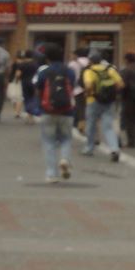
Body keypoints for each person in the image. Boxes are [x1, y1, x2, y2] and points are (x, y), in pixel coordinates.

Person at [33, 42, 76, 183]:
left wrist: (39, 105)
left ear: (47, 58)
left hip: (48, 110)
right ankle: (64, 159)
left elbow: (38, 89)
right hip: (67, 110)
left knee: (48, 141)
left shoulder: (44, 71)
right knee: (66, 138)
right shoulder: (69, 71)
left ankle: (51, 174)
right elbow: (72, 87)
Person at [81, 49, 124, 162]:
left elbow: (88, 85)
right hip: (109, 102)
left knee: (91, 125)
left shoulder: (89, 71)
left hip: (93, 101)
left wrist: (88, 93)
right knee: (108, 127)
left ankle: (89, 148)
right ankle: (114, 149)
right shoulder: (109, 69)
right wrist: (113, 94)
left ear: (90, 61)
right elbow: (121, 84)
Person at [13, 49, 41, 123]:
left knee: (26, 98)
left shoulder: (22, 64)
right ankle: (31, 115)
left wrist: (16, 80)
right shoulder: (36, 64)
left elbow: (18, 74)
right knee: (33, 98)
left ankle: (29, 115)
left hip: (24, 83)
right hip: (34, 83)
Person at [68, 47, 91, 133]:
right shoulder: (90, 62)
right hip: (89, 87)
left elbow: (69, 76)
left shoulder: (73, 64)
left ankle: (81, 126)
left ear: (77, 54)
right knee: (87, 107)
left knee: (80, 107)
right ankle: (86, 125)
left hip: (77, 88)